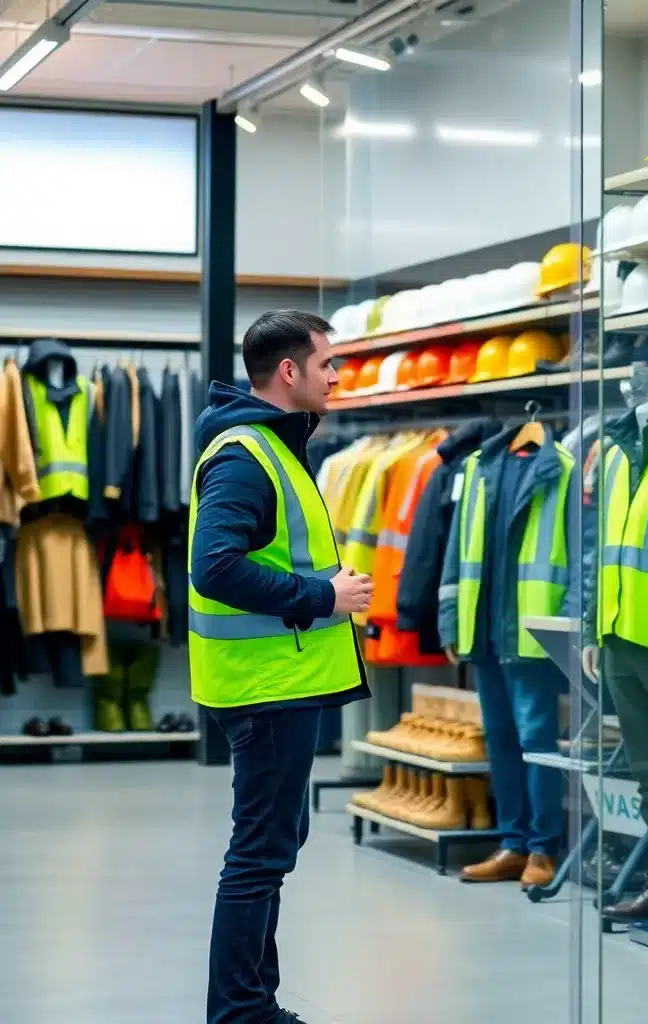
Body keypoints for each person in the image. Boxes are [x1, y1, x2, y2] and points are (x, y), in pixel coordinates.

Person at [188, 310, 373, 1024]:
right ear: (289, 371)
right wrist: (321, 596)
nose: (336, 376)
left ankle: (252, 1005)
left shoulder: (270, 448)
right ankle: (240, 1014)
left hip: (276, 682)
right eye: (327, 363)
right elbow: (216, 568)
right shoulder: (246, 454)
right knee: (259, 855)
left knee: (270, 848)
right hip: (266, 686)